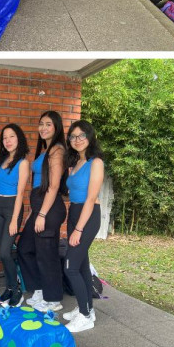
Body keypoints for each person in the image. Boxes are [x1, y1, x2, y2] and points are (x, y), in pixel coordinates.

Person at [18, 111, 67, 312]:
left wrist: (43, 214)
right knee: (24, 248)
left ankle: (53, 299)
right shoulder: (44, 151)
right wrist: (33, 212)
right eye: (41, 124)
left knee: (47, 254)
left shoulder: (57, 150)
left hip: (50, 206)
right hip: (40, 205)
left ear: (56, 128)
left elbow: (53, 186)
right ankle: (40, 289)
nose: (43, 128)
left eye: (48, 124)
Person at [62, 120, 105, 333]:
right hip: (75, 213)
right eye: (73, 136)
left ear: (90, 137)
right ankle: (86, 307)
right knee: (80, 265)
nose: (77, 140)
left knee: (70, 267)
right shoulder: (75, 162)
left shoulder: (95, 162)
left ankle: (85, 315)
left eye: (81, 135)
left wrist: (78, 229)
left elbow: (90, 199)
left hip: (88, 216)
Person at [0, 124, 30, 307]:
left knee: (5, 252)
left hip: (12, 208)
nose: (7, 141)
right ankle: (8, 287)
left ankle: (16, 290)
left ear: (19, 139)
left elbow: (21, 192)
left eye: (11, 136)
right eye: (4, 137)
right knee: (3, 251)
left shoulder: (23, 162)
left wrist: (15, 219)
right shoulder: (3, 159)